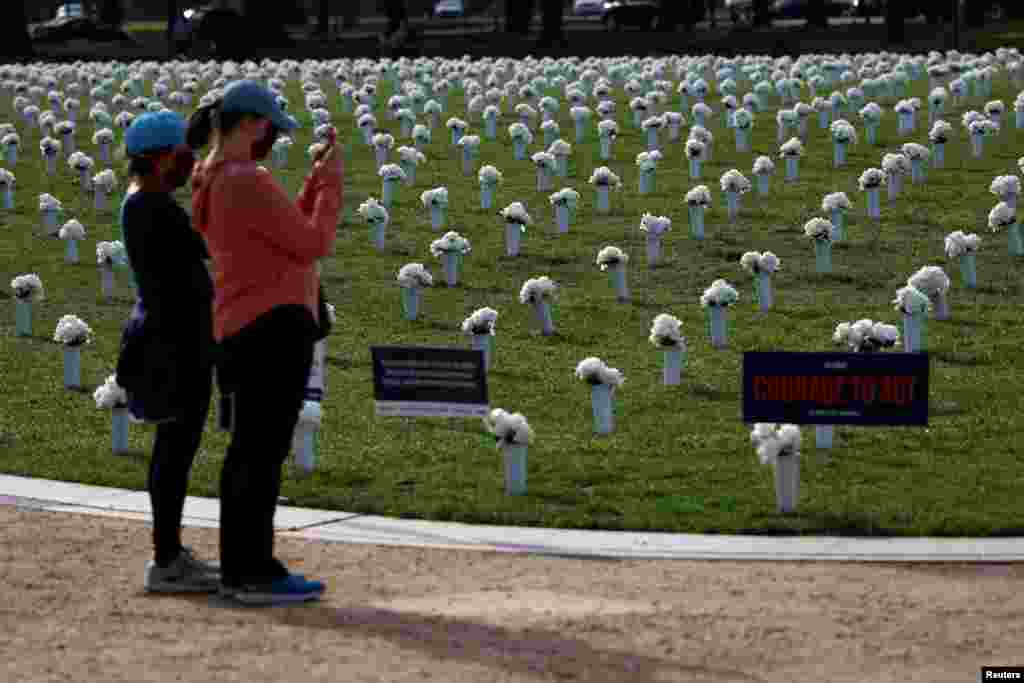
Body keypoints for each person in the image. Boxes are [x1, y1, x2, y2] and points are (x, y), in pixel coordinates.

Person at [187, 80, 343, 605]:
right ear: (252, 125)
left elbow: (282, 231)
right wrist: (332, 187)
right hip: (273, 327)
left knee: (248, 452)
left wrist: (310, 188)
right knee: (262, 453)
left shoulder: (212, 175)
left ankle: (246, 565)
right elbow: (313, 242)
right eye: (271, 129)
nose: (272, 140)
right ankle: (252, 571)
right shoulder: (245, 179)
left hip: (241, 325)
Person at [116, 111, 220, 593]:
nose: (189, 164)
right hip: (171, 344)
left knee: (175, 450)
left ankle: (171, 552)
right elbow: (208, 245)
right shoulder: (152, 206)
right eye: (182, 157)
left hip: (171, 339)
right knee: (174, 452)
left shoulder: (148, 201)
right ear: (159, 158)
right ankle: (166, 559)